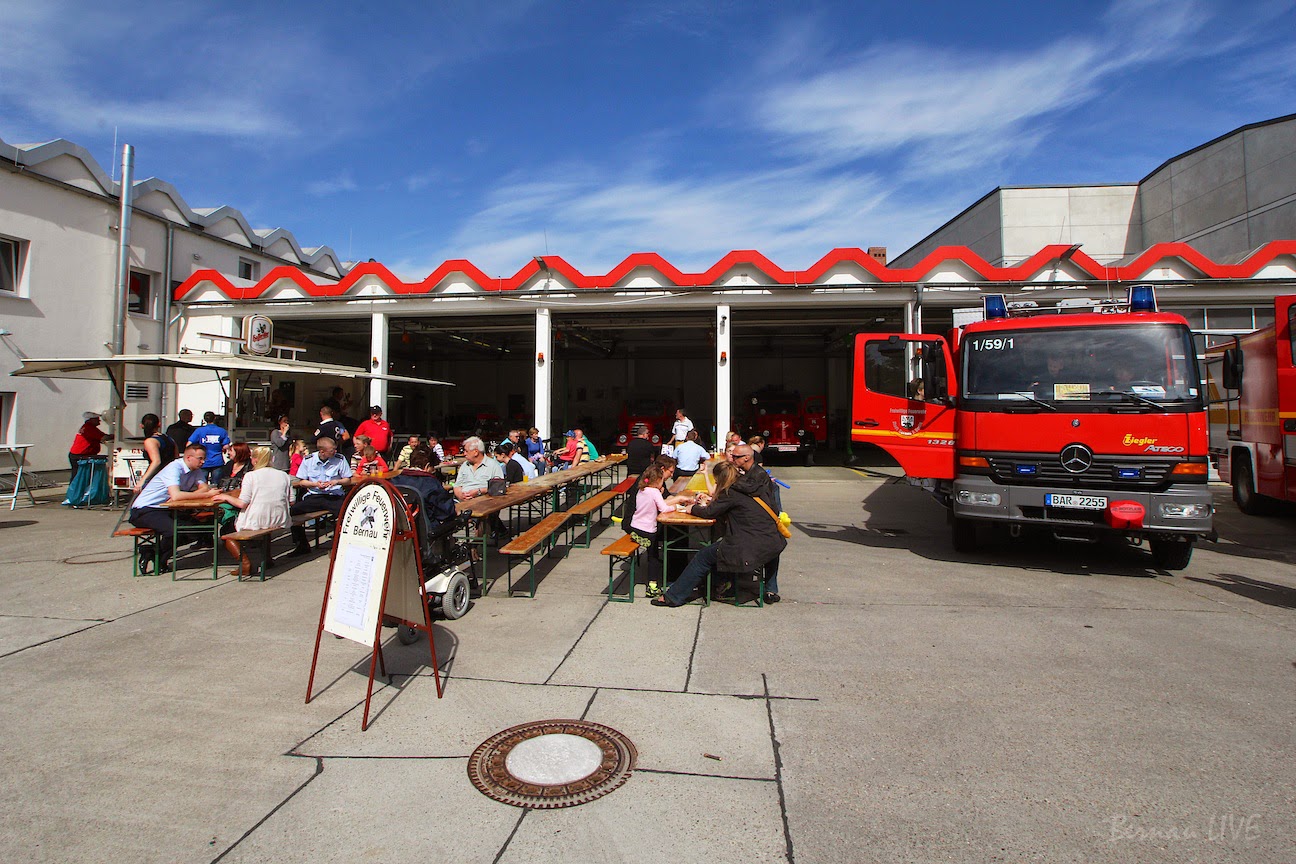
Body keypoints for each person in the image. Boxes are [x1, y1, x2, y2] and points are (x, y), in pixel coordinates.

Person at [651, 459, 786, 608]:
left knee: (703, 557)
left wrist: (692, 509)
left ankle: (673, 597)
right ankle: (763, 588)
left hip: (749, 545)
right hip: (773, 540)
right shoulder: (751, 486)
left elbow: (709, 512)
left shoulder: (731, 492)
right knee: (717, 548)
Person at [128, 443, 212, 572]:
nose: (203, 462)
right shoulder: (174, 468)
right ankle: (160, 559)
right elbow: (176, 495)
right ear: (188, 458)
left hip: (167, 509)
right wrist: (205, 495)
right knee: (174, 531)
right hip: (146, 509)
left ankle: (153, 552)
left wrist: (190, 495)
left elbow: (204, 487)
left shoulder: (196, 470)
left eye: (204, 458)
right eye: (200, 459)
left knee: (197, 530)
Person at [212, 446, 292, 577]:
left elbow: (242, 503)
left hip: (256, 520)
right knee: (265, 528)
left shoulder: (250, 476)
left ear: (255, 460)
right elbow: (291, 500)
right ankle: (267, 559)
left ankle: (245, 564)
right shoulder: (284, 475)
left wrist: (225, 497)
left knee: (227, 533)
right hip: (280, 518)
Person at [628, 463, 695, 594]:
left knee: (648, 545)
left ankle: (638, 537)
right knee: (653, 557)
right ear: (658, 480)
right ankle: (652, 586)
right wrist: (676, 507)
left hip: (635, 526)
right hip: (649, 529)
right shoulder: (654, 492)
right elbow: (663, 508)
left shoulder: (642, 489)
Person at [732, 442, 783, 603]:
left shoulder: (758, 475)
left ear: (747, 457)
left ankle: (770, 589)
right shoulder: (749, 473)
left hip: (762, 525)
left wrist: (730, 480)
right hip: (757, 524)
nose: (732, 459)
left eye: (736, 457)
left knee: (772, 549)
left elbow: (749, 488)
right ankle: (767, 588)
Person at [287, 437, 353, 557]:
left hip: (333, 495)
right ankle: (302, 544)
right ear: (322, 452)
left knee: (347, 513)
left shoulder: (339, 459)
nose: (335, 452)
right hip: (315, 495)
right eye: (332, 450)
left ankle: (340, 545)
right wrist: (315, 484)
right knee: (293, 512)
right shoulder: (308, 460)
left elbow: (348, 479)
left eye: (335, 449)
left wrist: (336, 482)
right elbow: (302, 482)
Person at [454, 436, 506, 545]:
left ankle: (475, 545)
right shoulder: (464, 466)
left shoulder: (492, 465)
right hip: (464, 501)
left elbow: (499, 488)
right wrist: (460, 495)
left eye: (466, 451)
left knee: (482, 516)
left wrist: (479, 491)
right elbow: (457, 486)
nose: (464, 454)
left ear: (476, 452)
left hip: (484, 501)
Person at [133, 413, 176, 492]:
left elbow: (156, 461)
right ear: (159, 424)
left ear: (141, 426)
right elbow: (176, 456)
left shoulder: (150, 441)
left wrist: (142, 481)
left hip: (157, 477)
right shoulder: (170, 439)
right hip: (171, 475)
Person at [187, 412, 231, 480]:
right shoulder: (222, 431)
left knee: (202, 483)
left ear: (204, 419)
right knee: (216, 484)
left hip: (203, 461)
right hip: (217, 461)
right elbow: (226, 446)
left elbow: (188, 444)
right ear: (215, 418)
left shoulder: (199, 431)